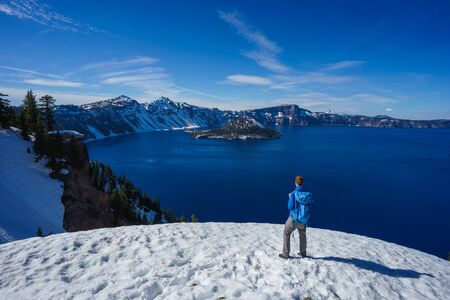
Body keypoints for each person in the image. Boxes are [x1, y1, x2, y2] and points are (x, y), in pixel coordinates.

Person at [279, 175, 313, 259]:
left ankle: (285, 254)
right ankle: (303, 253)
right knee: (302, 235)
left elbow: (290, 207)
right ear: (303, 183)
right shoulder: (307, 195)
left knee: (286, 233)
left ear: (295, 183)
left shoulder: (294, 194)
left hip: (293, 219)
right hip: (303, 220)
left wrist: (290, 197)